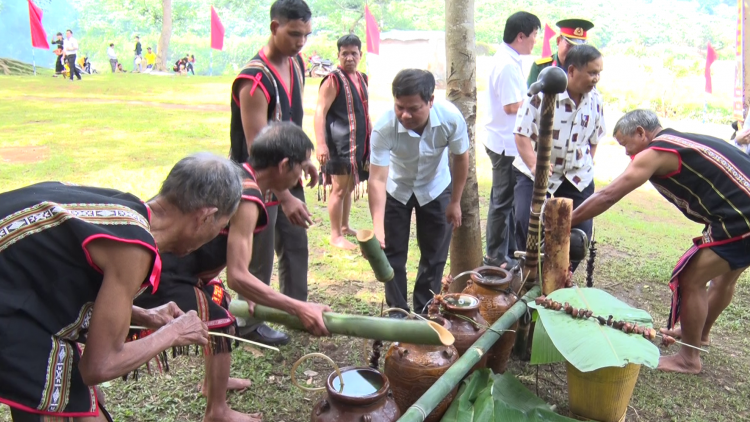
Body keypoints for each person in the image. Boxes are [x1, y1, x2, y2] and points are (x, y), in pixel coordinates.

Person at [0, 153, 244, 420]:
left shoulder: (124, 208)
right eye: (221, 225)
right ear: (206, 217)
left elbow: (54, 275)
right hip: (11, 309)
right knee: (72, 398)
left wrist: (144, 315)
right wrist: (172, 333)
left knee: (77, 397)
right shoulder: (134, 249)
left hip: (14, 293)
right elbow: (97, 366)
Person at [134, 124, 330, 422]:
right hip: (164, 272)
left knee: (219, 299)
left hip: (182, 267)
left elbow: (228, 266)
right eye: (301, 167)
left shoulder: (241, 175)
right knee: (222, 321)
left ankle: (212, 383)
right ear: (283, 166)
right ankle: (217, 410)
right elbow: (239, 276)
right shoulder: (248, 198)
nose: (301, 176)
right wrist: (299, 306)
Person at [571, 109, 750, 374]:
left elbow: (608, 195)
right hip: (740, 212)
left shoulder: (656, 152)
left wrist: (566, 221)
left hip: (740, 217)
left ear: (641, 133)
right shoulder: (679, 140)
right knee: (724, 278)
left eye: (625, 144)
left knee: (691, 278)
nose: (626, 152)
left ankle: (689, 359)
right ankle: (698, 336)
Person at [229, 0, 316, 346]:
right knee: (258, 256)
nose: (300, 42)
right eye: (294, 34)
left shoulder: (296, 66)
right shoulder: (254, 80)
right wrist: (285, 195)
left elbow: (290, 121)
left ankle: (298, 311)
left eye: (306, 35)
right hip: (262, 181)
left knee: (296, 243)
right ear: (274, 27)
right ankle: (249, 325)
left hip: (288, 169)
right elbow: (258, 149)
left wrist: (302, 158)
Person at [369, 69, 470, 314]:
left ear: (431, 101)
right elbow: (377, 179)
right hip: (397, 188)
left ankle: (425, 311)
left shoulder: (450, 119)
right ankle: (398, 313)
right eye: (399, 107)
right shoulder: (384, 126)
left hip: (435, 187)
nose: (405, 115)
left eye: (413, 108)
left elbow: (460, 158)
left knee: (434, 257)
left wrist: (455, 201)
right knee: (392, 255)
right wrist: (378, 226)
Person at [513, 45, 604, 262]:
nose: (596, 78)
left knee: (578, 240)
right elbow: (521, 134)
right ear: (571, 71)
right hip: (536, 171)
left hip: (576, 177)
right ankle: (529, 277)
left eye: (599, 73)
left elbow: (594, 140)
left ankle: (562, 280)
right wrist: (535, 165)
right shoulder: (542, 94)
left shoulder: (596, 100)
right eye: (592, 72)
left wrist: (585, 163)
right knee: (528, 225)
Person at [483, 11, 540, 269]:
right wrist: (535, 101)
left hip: (505, 140)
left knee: (506, 201)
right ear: (521, 36)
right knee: (502, 201)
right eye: (533, 36)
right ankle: (495, 256)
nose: (535, 42)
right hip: (504, 144)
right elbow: (510, 106)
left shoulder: (511, 59)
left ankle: (505, 253)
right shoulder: (506, 64)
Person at [314, 34, 371, 250]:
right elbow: (320, 112)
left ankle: (345, 227)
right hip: (338, 145)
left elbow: (365, 112)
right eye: (344, 53)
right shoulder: (332, 80)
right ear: (338, 55)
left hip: (358, 144)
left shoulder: (362, 78)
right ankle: (335, 235)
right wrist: (320, 144)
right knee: (338, 189)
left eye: (353, 53)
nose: (349, 58)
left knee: (348, 186)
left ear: (360, 55)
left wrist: (371, 135)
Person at [526, 19, 594, 86]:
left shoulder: (586, 69)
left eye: (579, 48)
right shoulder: (541, 67)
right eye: (569, 46)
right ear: (558, 41)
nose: (574, 51)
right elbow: (531, 95)